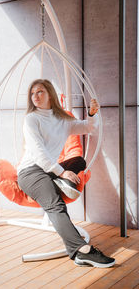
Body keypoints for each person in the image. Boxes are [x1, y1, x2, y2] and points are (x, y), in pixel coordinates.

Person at [17, 79, 115, 268]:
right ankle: (83, 251)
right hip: (31, 172)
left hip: (49, 170)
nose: (35, 96)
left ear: (50, 94)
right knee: (56, 205)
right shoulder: (32, 119)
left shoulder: (61, 119)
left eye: (40, 92)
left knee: (79, 161)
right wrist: (61, 172)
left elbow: (88, 128)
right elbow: (38, 153)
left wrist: (92, 114)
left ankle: (55, 182)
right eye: (32, 93)